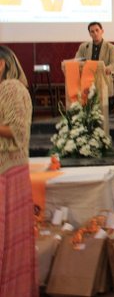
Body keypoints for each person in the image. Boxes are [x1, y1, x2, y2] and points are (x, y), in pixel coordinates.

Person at [0, 46, 37, 296]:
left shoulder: (11, 88)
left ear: (2, 64)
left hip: (9, 171)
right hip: (8, 168)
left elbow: (17, 130)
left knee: (8, 240)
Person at [76, 22, 114, 114]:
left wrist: (106, 69)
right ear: (89, 34)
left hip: (104, 83)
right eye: (92, 31)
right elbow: (77, 62)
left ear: (102, 31)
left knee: (106, 114)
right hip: (88, 85)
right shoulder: (84, 47)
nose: (95, 33)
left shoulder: (110, 47)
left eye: (97, 30)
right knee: (89, 113)